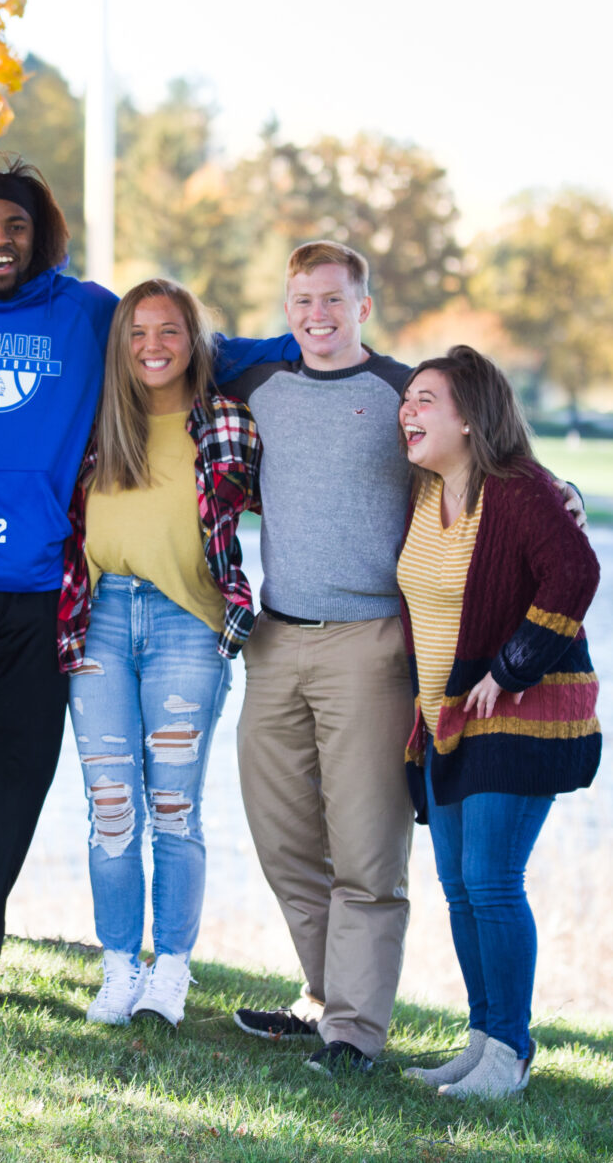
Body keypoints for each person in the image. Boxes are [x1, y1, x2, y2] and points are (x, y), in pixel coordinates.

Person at [0, 160, 292, 1008]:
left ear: (42, 236)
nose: (1, 240)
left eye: (17, 225)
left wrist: (316, 349)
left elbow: (201, 349)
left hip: (43, 586)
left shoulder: (90, 312)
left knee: (17, 771)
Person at [222, 241, 419, 1073]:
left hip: (370, 646)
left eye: (334, 299)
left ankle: (355, 1033)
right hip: (274, 641)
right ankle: (323, 993)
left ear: (363, 307)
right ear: (287, 309)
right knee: (283, 837)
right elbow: (171, 363)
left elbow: (487, 452)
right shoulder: (260, 386)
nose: (318, 315)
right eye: (303, 300)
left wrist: (562, 493)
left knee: (368, 851)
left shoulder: (404, 391)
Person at [393, 346, 600, 1100]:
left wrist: (510, 668)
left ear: (472, 419)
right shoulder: (425, 491)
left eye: (425, 399)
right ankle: (482, 1042)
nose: (408, 411)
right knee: (459, 886)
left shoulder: (517, 489)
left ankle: (509, 1051)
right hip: (444, 718)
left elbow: (575, 572)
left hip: (518, 717)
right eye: (407, 399)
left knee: (492, 880)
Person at [55, 279, 262, 1030]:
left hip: (187, 625)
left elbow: (308, 492)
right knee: (111, 808)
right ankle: (119, 967)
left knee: (175, 809)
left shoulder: (229, 423)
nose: (152, 345)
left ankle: (170, 970)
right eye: (137, 331)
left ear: (194, 339)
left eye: (169, 329)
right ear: (119, 343)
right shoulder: (94, 423)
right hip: (100, 621)